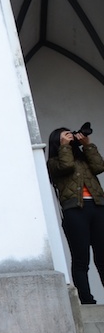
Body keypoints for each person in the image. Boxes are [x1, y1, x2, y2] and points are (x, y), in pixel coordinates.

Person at [47, 128, 104, 304]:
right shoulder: (53, 162)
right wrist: (64, 147)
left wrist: (88, 146)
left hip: (97, 207)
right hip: (75, 211)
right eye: (65, 135)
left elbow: (99, 166)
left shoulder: (84, 159)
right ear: (57, 141)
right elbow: (66, 166)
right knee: (81, 259)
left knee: (103, 256)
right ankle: (87, 300)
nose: (70, 136)